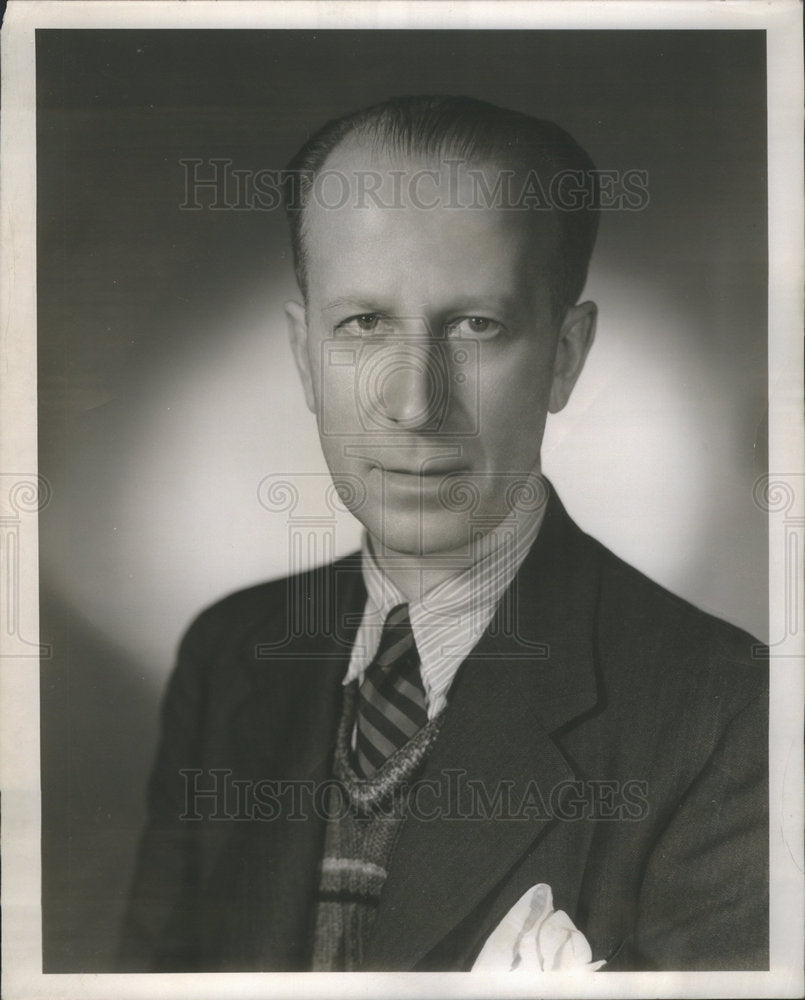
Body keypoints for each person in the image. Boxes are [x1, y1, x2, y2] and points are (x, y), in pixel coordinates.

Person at [118, 95, 768, 974]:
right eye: (363, 324)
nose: (415, 404)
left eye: (475, 326)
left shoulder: (725, 712)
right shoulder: (228, 655)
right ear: (304, 355)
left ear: (564, 357)